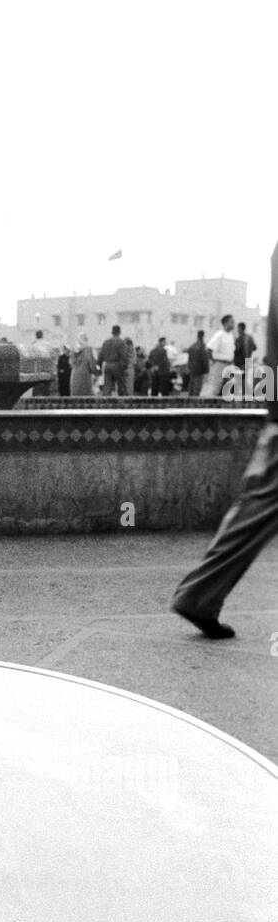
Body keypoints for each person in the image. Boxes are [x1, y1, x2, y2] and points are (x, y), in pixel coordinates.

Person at [171, 248, 278, 638]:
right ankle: (199, 594)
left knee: (260, 501)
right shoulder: (222, 339)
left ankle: (200, 595)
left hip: (269, 388)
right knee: (261, 501)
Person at [201, 315, 235, 398]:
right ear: (226, 323)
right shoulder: (219, 335)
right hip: (219, 364)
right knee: (215, 387)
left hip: (229, 365)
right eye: (231, 322)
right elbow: (209, 349)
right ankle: (207, 407)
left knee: (229, 387)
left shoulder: (231, 336)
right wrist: (214, 361)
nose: (233, 324)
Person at [97, 324, 129, 396]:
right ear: (119, 332)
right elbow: (123, 356)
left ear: (112, 332)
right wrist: (125, 367)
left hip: (107, 365)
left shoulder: (106, 342)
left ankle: (105, 403)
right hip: (117, 365)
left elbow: (101, 355)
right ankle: (123, 403)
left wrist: (99, 365)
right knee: (121, 385)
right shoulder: (121, 342)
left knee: (107, 386)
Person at [186, 330, 209, 396]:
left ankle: (189, 401)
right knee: (197, 387)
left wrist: (189, 367)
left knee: (191, 386)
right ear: (203, 336)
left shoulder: (192, 345)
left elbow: (189, 358)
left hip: (192, 369)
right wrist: (206, 370)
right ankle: (194, 403)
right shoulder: (202, 346)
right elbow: (204, 359)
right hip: (199, 370)